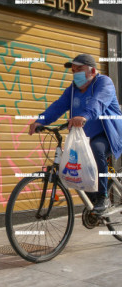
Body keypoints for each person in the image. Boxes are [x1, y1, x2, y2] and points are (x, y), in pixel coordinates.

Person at [29, 54, 122, 214]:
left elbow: (98, 102)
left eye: (79, 69)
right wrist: (40, 121)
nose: (75, 74)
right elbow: (58, 106)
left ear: (92, 70)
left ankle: (103, 197)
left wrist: (84, 116)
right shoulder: (72, 90)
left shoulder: (104, 83)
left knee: (96, 149)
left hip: (108, 134)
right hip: (84, 137)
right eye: (73, 71)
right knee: (75, 164)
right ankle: (93, 201)